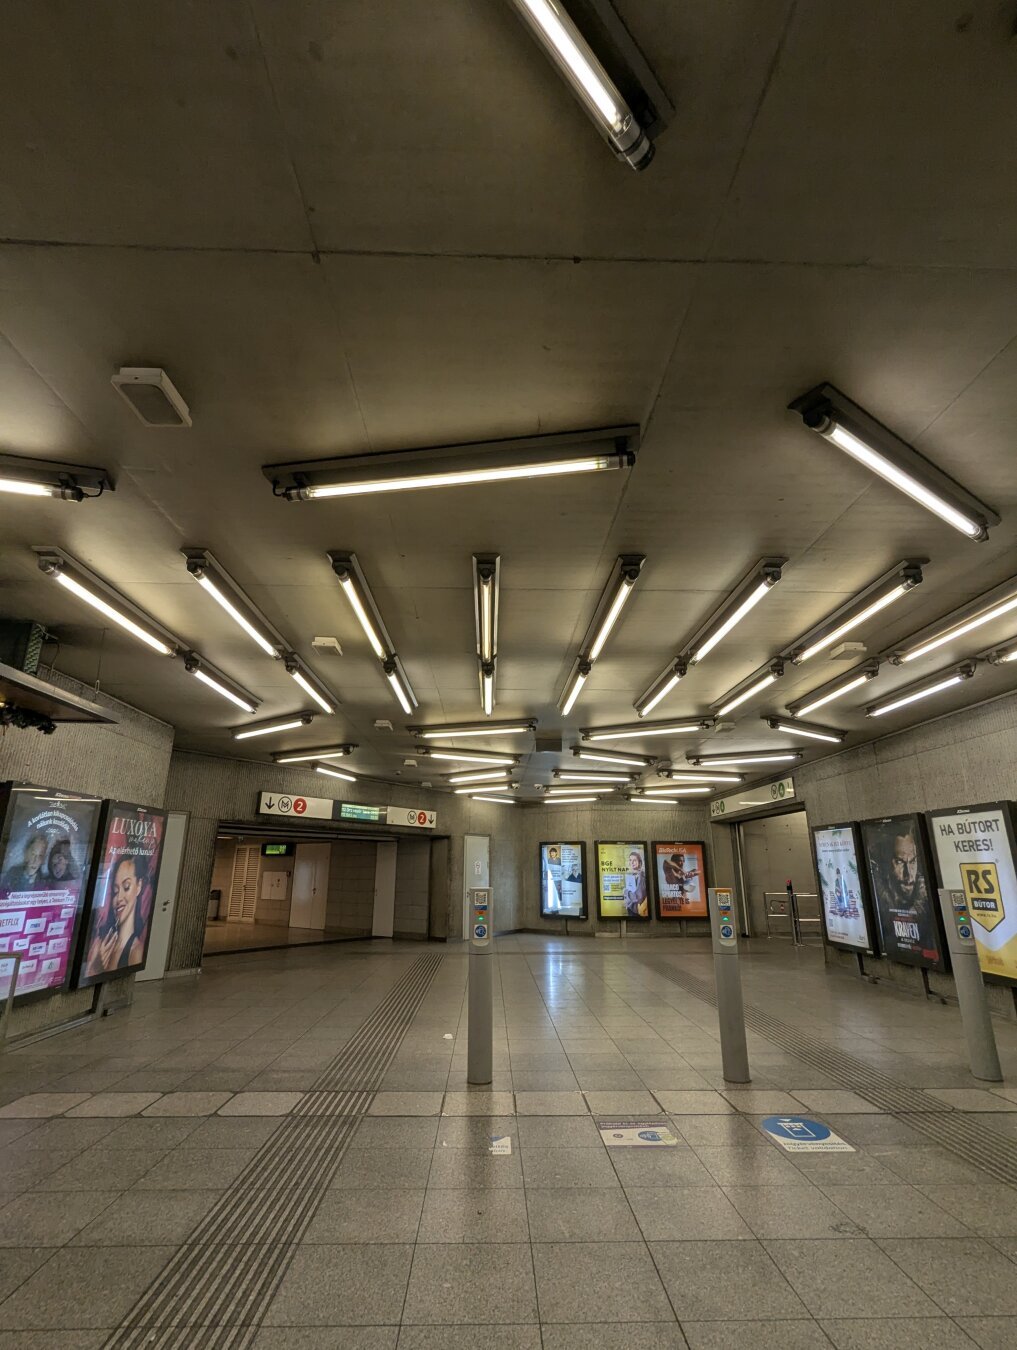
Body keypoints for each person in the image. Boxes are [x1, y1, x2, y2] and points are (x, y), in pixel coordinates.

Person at [85, 854, 150, 975]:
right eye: (115, 891)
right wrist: (94, 967)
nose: (119, 898)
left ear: (139, 886)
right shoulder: (100, 943)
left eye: (126, 887)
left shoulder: (135, 952)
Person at [883, 828, 928, 914]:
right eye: (900, 862)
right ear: (887, 863)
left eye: (912, 861)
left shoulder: (926, 890)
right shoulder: (880, 894)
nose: (908, 874)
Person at [624, 849, 648, 918]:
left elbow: (638, 897)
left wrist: (625, 891)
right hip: (632, 909)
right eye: (630, 860)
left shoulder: (641, 876)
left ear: (640, 862)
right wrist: (628, 904)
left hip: (637, 912)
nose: (632, 862)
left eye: (634, 860)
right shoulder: (633, 875)